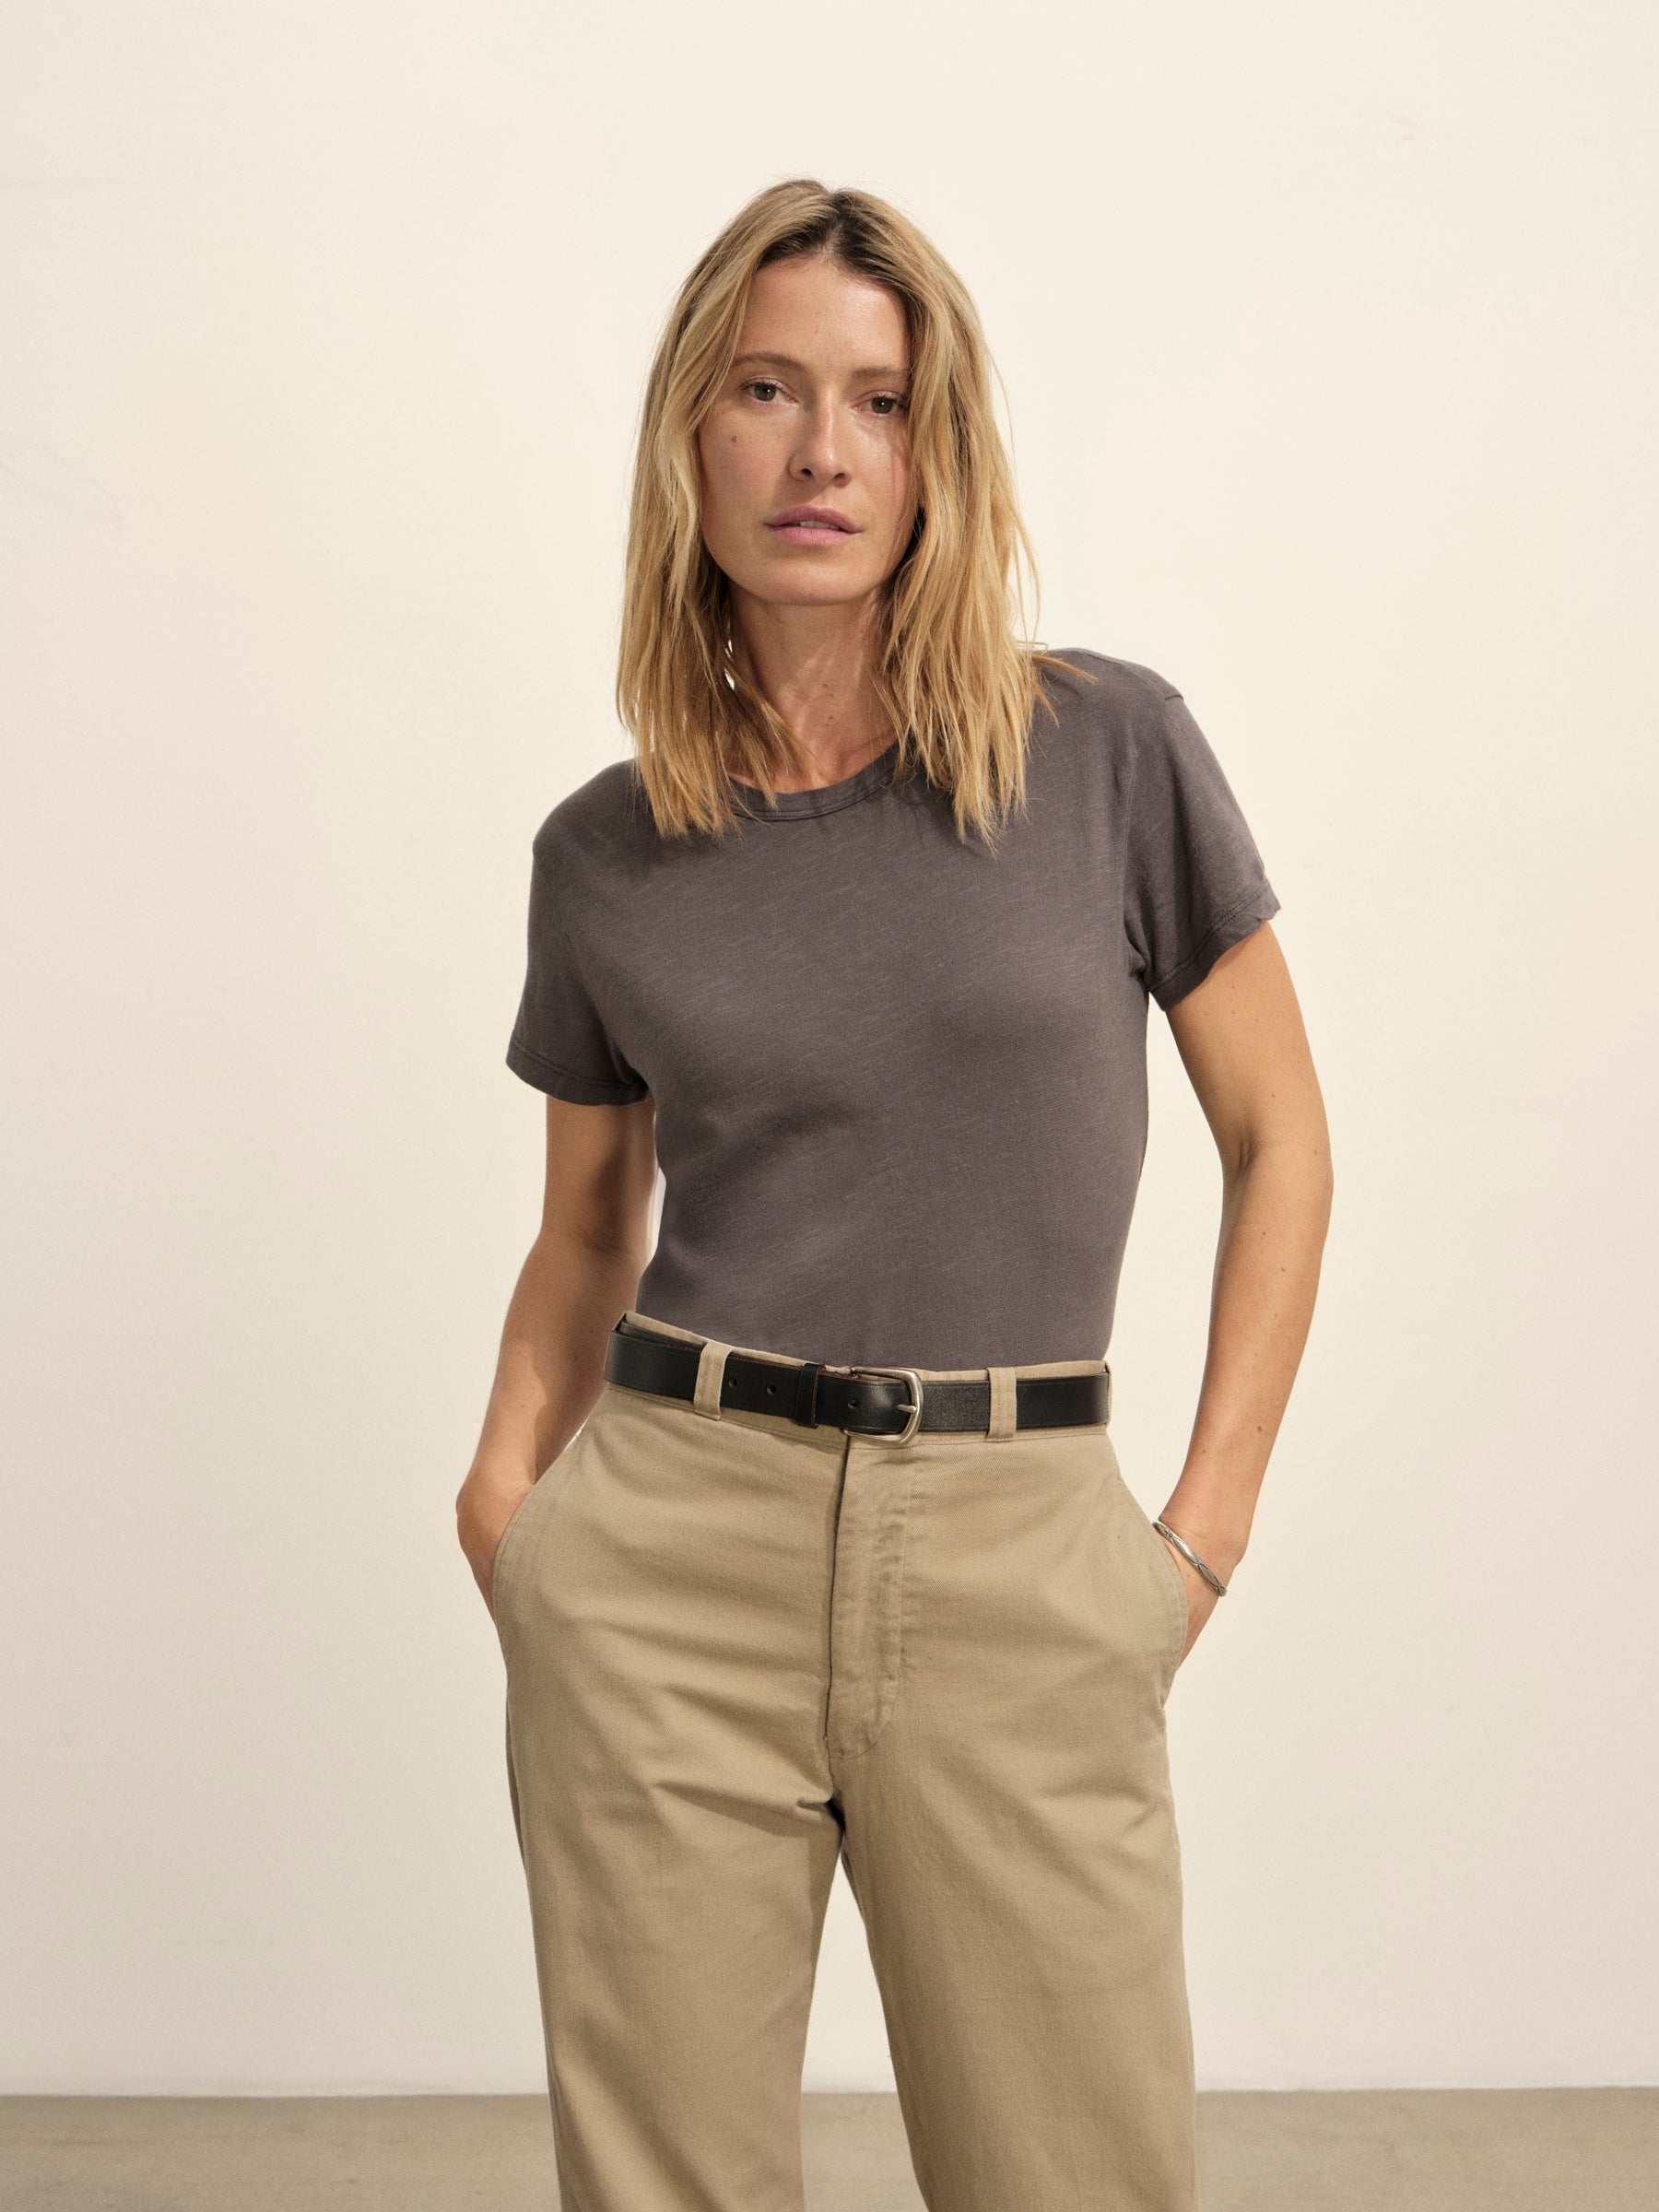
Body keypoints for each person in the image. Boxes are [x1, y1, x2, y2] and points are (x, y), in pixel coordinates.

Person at [455, 178, 1332, 2212]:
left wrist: (1197, 1541)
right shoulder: (605, 852)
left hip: (1021, 1557)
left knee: (1077, 2174)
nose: (823, 452)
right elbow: (585, 1229)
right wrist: (512, 1512)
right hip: (670, 1560)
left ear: (941, 453)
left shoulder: (1107, 754)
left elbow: (1282, 1138)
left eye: (878, 399)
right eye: (767, 390)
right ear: (693, 436)